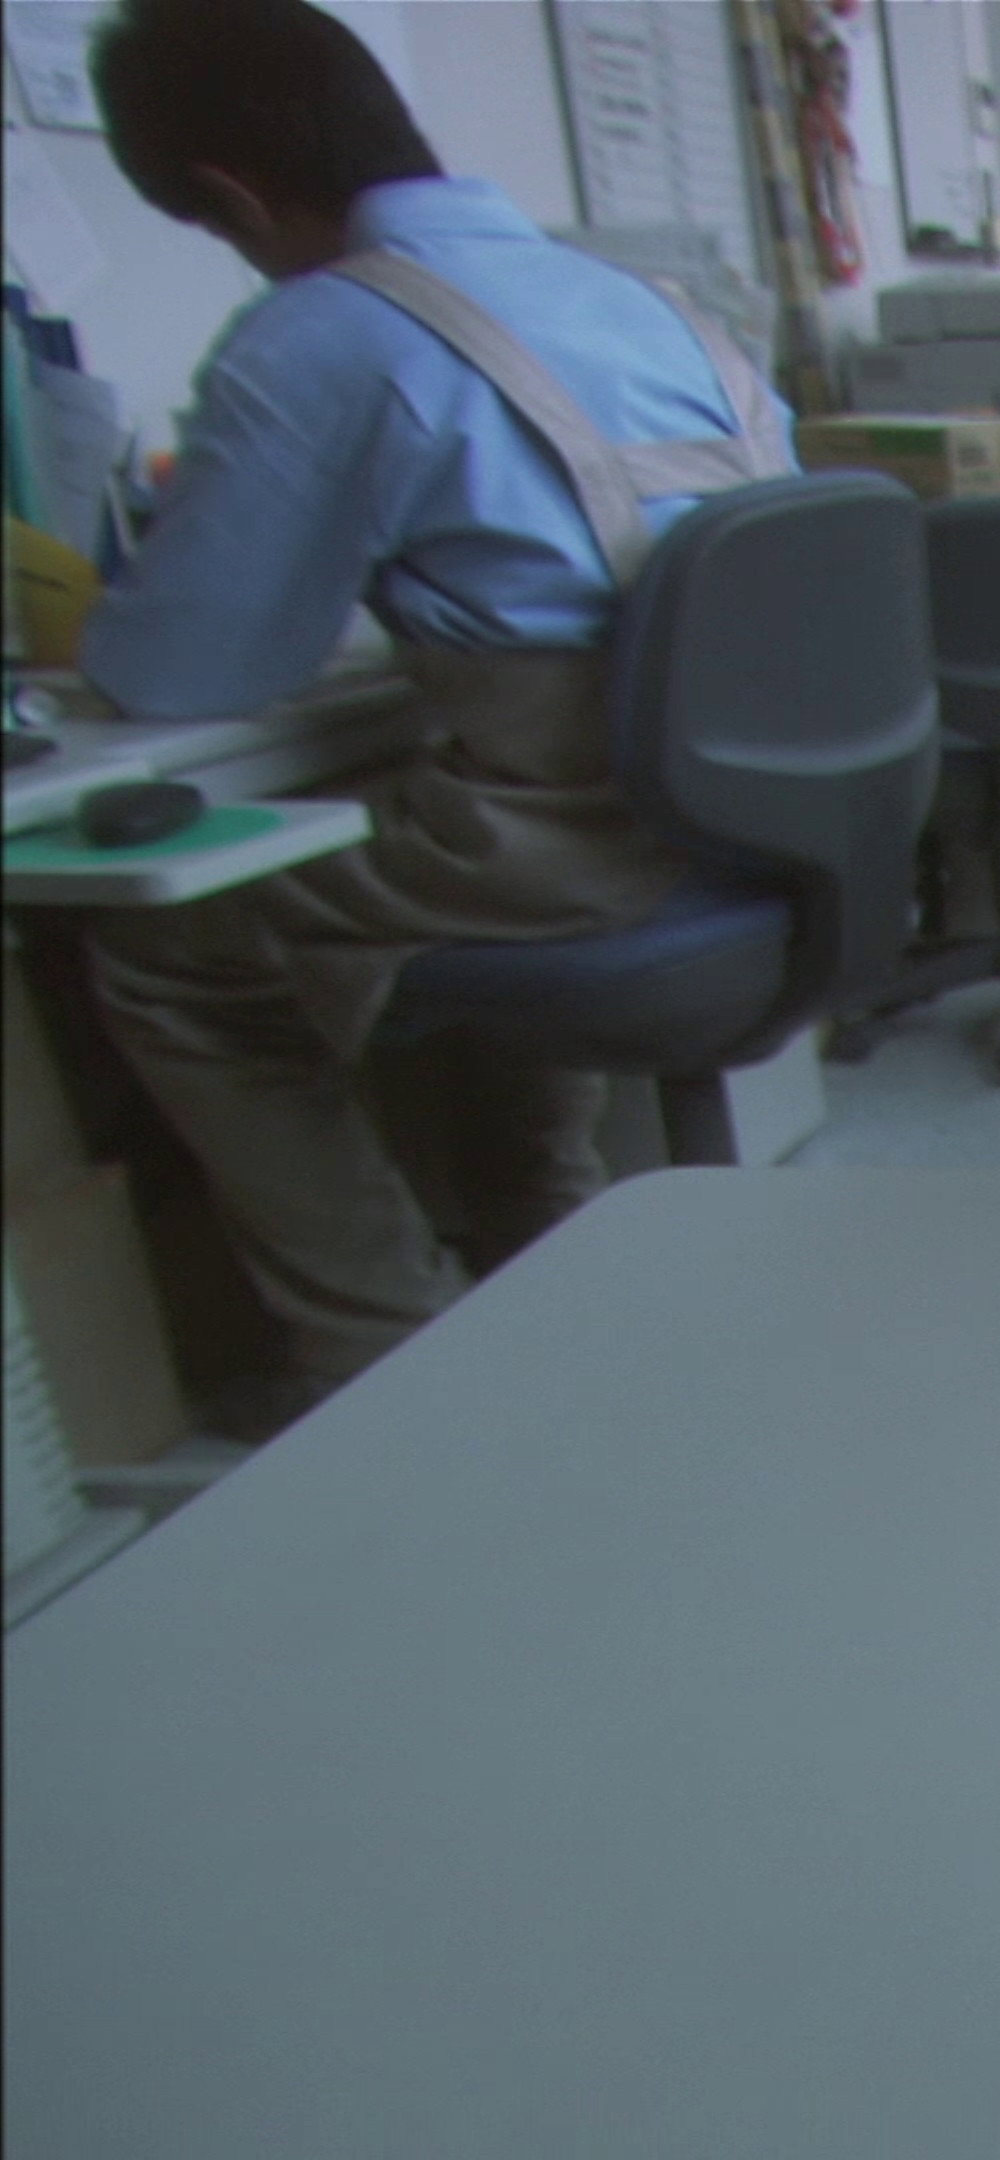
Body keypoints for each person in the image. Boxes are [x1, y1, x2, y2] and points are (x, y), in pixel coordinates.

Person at [68, 0, 793, 1416]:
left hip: (576, 851)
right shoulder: (657, 307)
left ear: (231, 196)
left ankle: (380, 1350)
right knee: (450, 854)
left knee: (168, 949)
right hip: (747, 829)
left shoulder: (325, 330)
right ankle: (542, 1240)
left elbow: (176, 673)